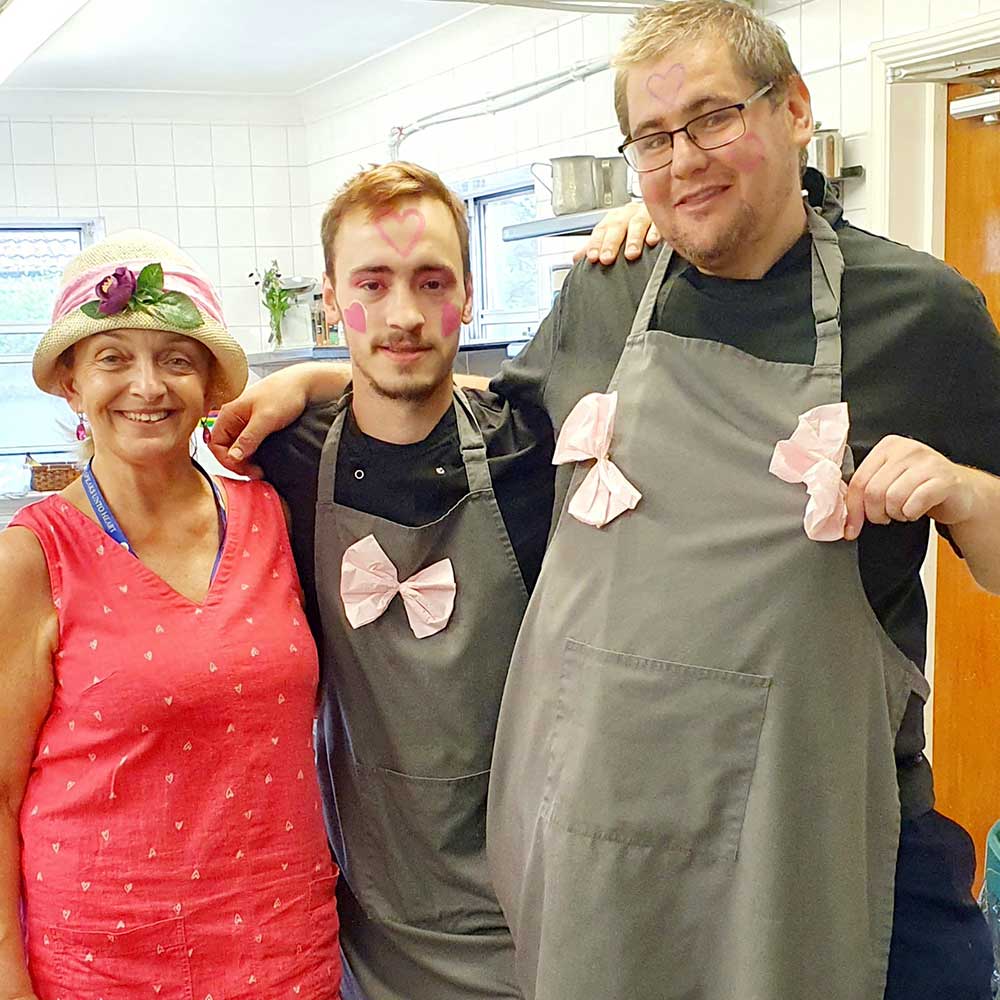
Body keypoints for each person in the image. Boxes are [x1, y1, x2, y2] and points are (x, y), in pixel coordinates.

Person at [221, 162, 554, 1000]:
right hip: (365, 919)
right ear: (331, 299)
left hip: (530, 917)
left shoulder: (536, 453)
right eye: (372, 282)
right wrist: (306, 383)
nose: (404, 315)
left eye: (431, 281)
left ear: (468, 296)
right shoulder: (281, 460)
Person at [0, 231, 341, 1000]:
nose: (147, 386)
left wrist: (317, 374)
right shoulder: (35, 556)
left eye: (176, 359)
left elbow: (427, 393)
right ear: (70, 385)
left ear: (210, 386)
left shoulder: (272, 516)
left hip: (282, 941)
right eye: (113, 358)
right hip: (101, 959)